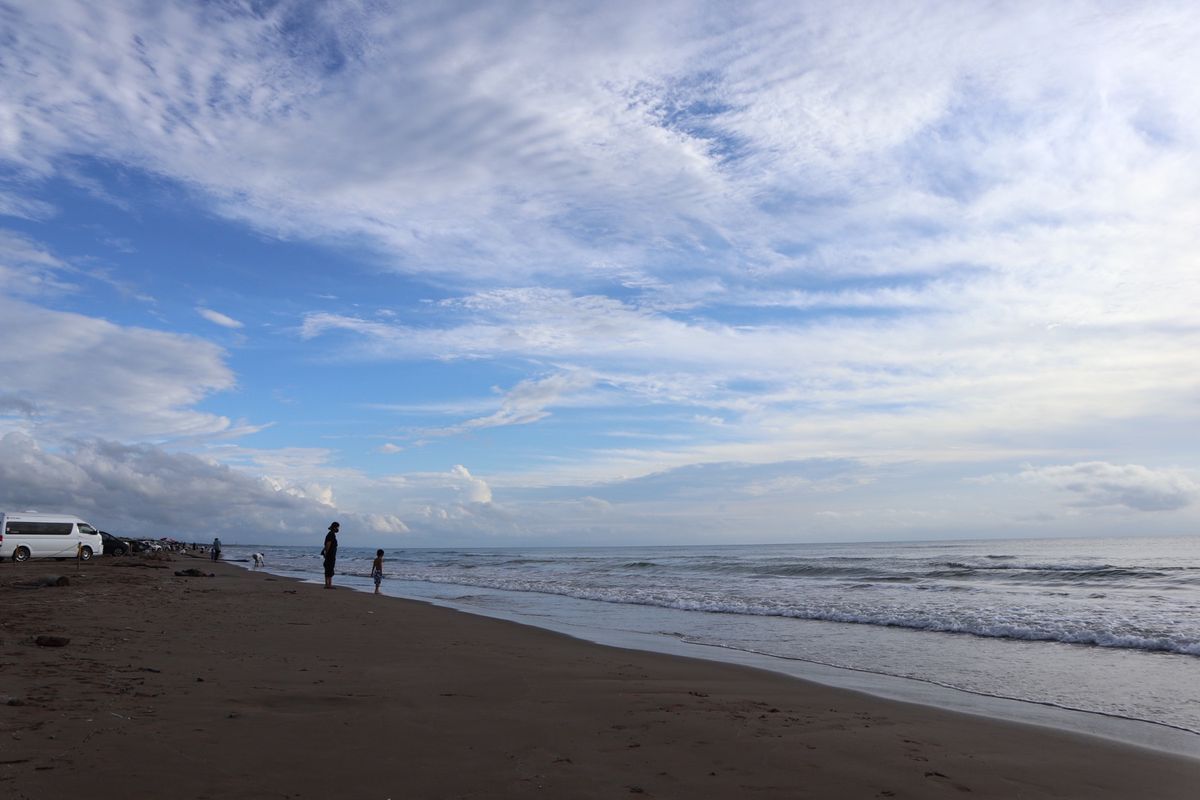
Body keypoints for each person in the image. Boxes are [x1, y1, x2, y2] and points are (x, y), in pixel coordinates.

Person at [321, 522, 339, 589]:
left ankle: (328, 584)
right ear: (334, 527)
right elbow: (328, 544)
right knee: (329, 569)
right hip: (330, 555)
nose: (338, 529)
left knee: (329, 568)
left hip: (331, 555)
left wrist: (324, 551)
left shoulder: (331, 534)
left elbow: (327, 545)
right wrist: (326, 553)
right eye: (337, 527)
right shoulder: (331, 534)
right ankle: (328, 584)